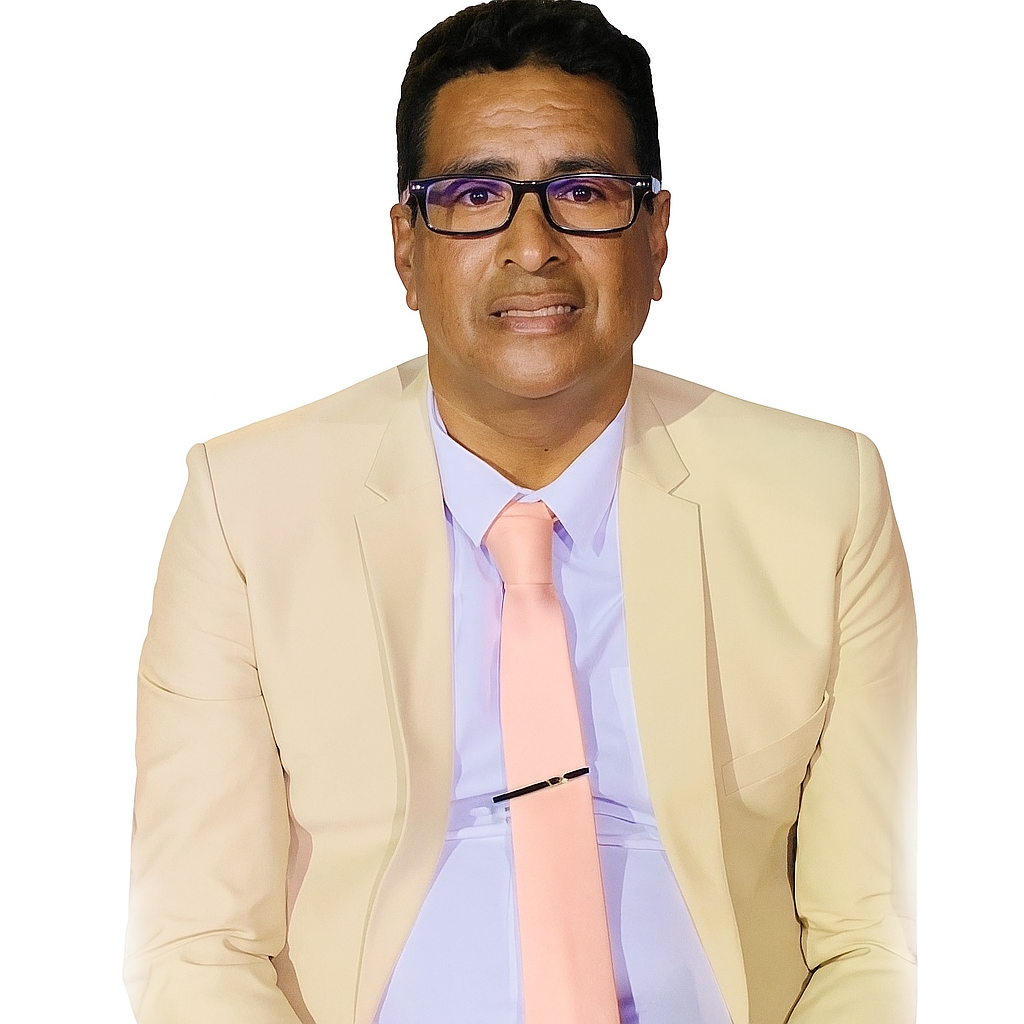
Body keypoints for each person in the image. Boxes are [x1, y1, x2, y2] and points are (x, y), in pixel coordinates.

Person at [124, 1, 916, 1022]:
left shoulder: (824, 498)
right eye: (473, 195)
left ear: (656, 237)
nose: (532, 246)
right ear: (406, 248)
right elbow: (197, 943)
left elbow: (872, 937)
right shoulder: (247, 506)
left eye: (583, 191)